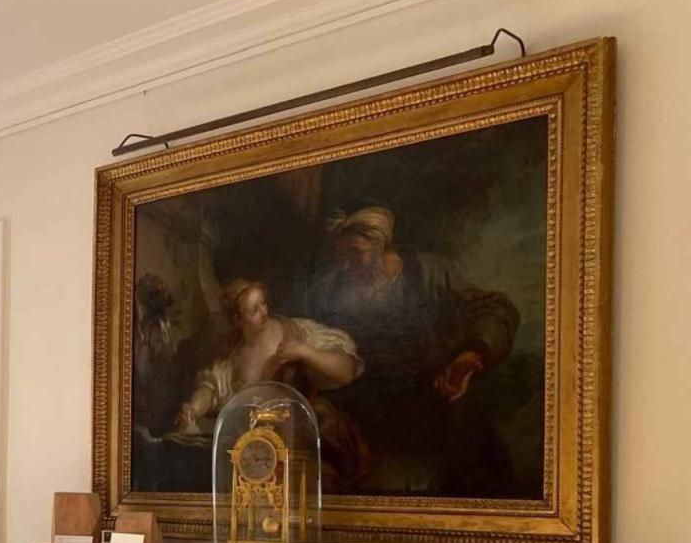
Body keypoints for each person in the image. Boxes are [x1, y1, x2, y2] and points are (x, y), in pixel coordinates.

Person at [294, 205, 522, 491]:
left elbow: (492, 309)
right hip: (369, 415)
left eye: (355, 253)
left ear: (381, 246)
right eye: (342, 257)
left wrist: (472, 353)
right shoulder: (335, 290)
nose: (346, 266)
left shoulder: (427, 272)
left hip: (437, 401)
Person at [174, 278, 361, 431]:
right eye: (254, 310)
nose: (264, 311)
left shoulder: (295, 331)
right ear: (238, 320)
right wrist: (193, 409)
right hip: (257, 440)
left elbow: (346, 371)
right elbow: (211, 387)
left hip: (303, 431)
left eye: (263, 303)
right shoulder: (234, 355)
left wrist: (305, 351)